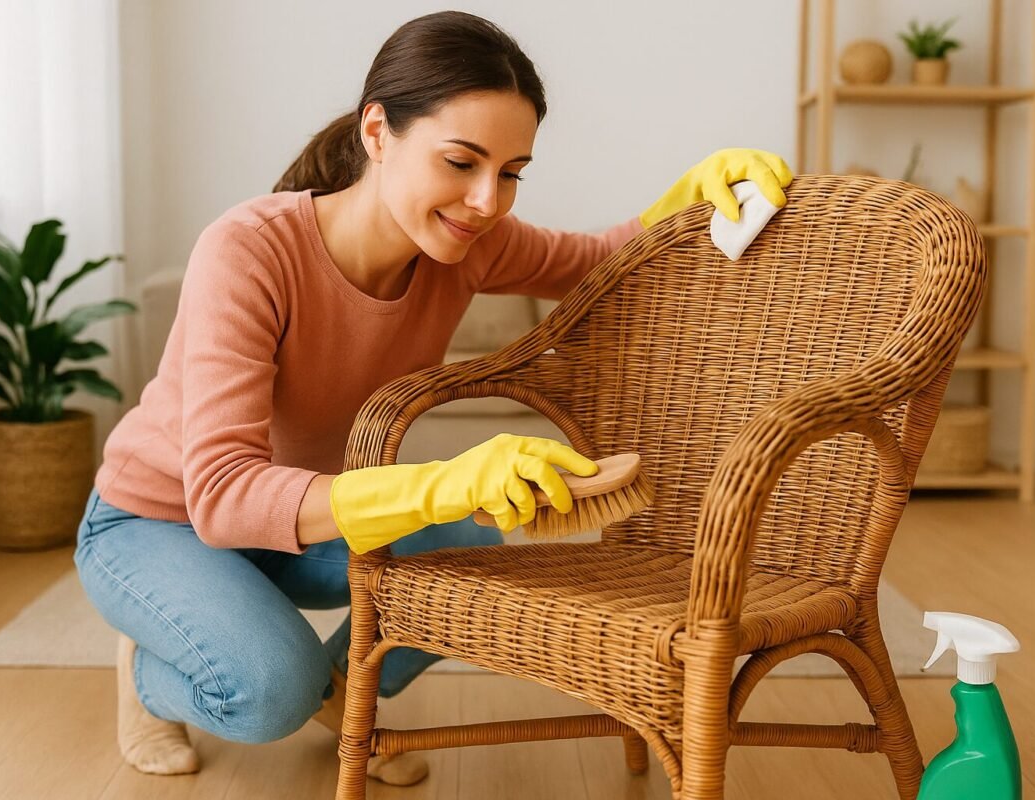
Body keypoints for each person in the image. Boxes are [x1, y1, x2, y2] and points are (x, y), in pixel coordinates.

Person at [73, 9, 792, 788]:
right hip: (157, 521)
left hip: (295, 524)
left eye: (512, 171)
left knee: (470, 560)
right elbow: (222, 496)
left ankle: (336, 701)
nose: (487, 200)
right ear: (377, 133)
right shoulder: (249, 249)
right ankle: (159, 673)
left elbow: (596, 261)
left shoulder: (470, 247)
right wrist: (443, 482)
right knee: (264, 692)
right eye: (461, 161)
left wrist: (689, 198)